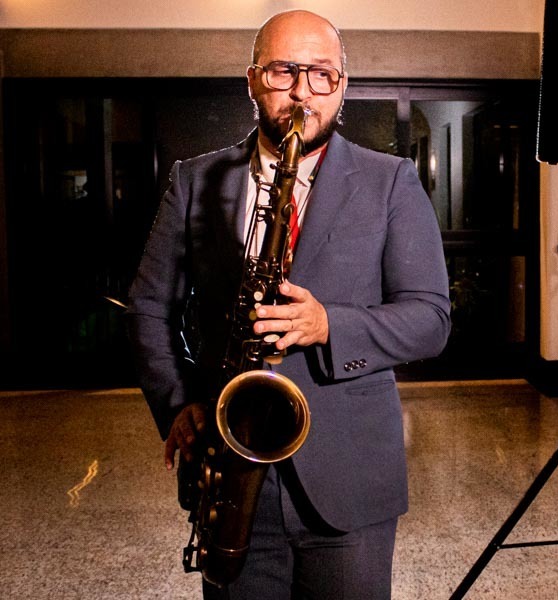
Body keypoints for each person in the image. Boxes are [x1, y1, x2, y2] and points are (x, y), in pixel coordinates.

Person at [126, 9, 450, 599]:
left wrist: (331, 325)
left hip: (351, 482)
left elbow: (430, 320)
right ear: (252, 80)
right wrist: (177, 404)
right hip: (230, 468)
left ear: (342, 86)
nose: (303, 91)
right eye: (283, 71)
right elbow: (147, 308)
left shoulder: (392, 181)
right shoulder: (194, 180)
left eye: (321, 74)